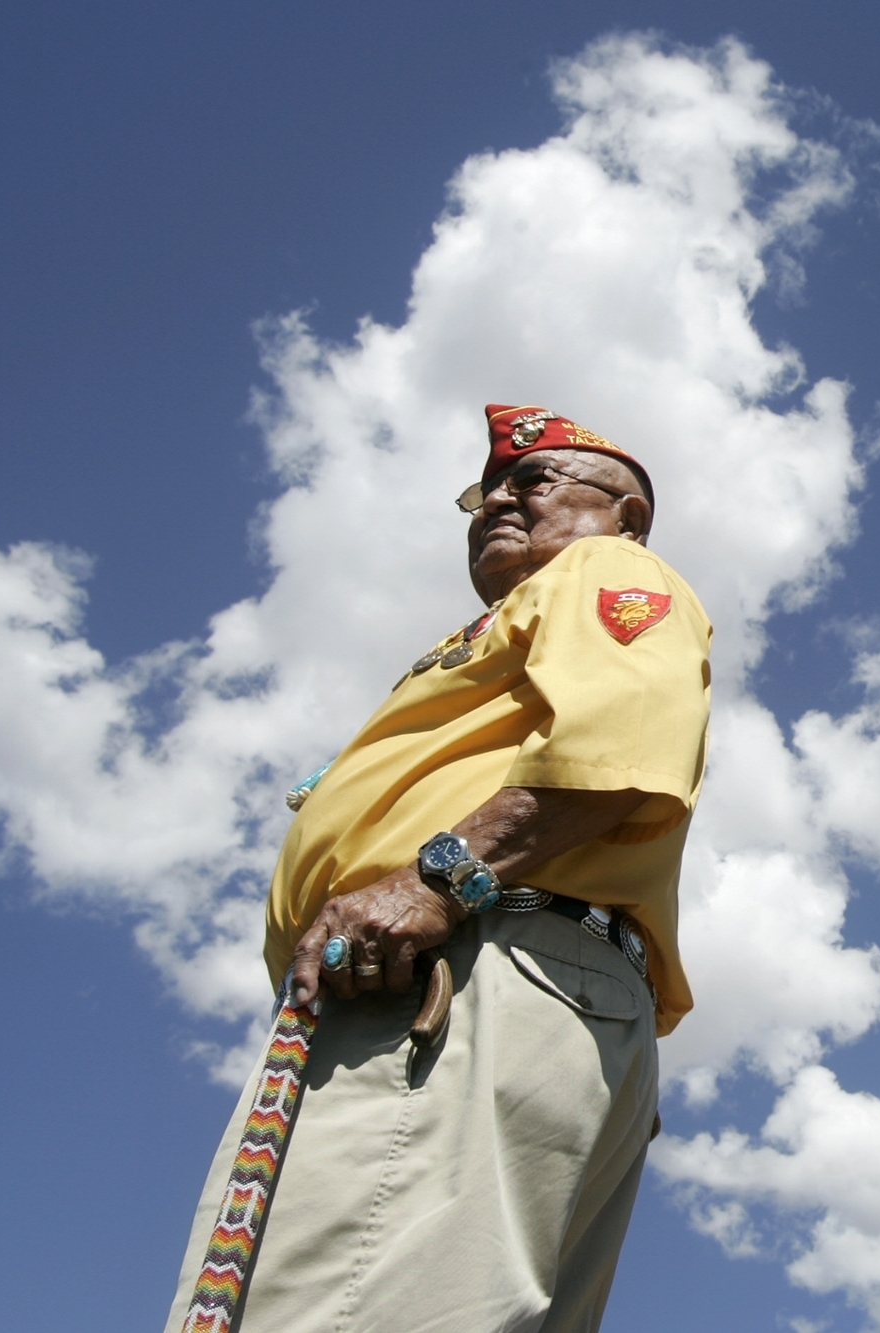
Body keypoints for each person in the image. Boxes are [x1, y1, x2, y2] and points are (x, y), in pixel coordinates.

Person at [166, 404, 713, 1332]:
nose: (499, 497)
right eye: (485, 488)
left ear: (626, 516)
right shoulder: (512, 618)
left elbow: (619, 741)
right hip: (487, 970)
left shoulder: (603, 567)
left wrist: (437, 878)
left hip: (464, 961)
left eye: (534, 479)